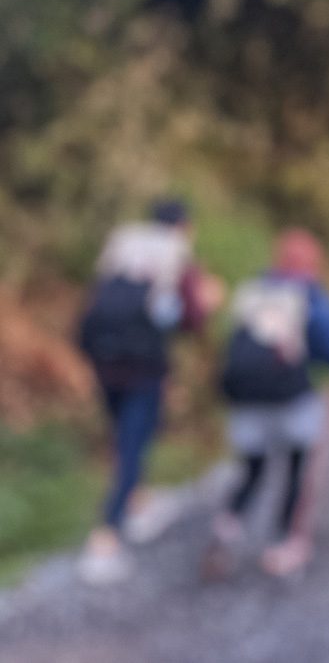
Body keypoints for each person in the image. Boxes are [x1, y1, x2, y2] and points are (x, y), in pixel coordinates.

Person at [76, 198, 221, 585]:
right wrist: (207, 302)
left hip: (104, 364)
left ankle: (137, 505)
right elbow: (189, 317)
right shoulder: (174, 256)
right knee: (134, 445)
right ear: (183, 225)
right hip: (142, 369)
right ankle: (104, 542)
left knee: (124, 438)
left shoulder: (124, 244)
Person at [206, 228, 329, 579]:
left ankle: (227, 527)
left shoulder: (252, 293)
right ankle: (286, 544)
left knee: (252, 471)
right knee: (295, 472)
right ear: (311, 264)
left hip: (246, 402)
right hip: (293, 402)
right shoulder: (311, 300)